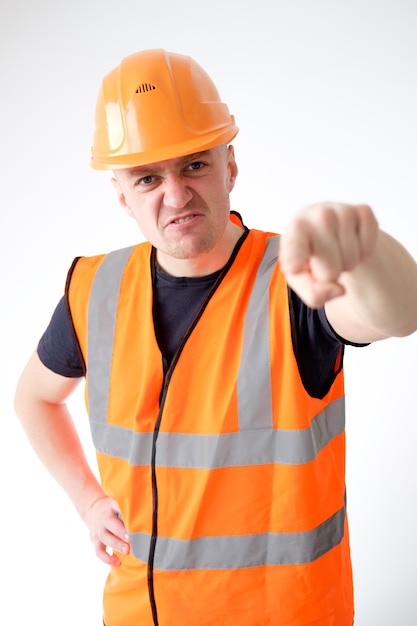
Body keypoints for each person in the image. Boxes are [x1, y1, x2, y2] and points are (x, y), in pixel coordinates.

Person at [14, 49, 417, 626]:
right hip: (137, 613)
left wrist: (365, 252)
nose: (175, 196)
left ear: (230, 164)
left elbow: (395, 313)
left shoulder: (294, 280)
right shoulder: (94, 289)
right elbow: (33, 397)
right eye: (148, 178)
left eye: (194, 165)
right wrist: (87, 499)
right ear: (123, 196)